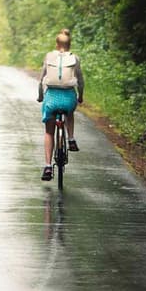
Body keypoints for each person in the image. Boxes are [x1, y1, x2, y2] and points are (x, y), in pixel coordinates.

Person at [37, 29, 84, 181]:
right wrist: (81, 96)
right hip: (68, 98)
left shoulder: (49, 56)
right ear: (69, 44)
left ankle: (48, 166)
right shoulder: (74, 58)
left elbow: (42, 78)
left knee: (49, 132)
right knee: (69, 112)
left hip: (51, 99)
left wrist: (40, 95)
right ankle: (70, 139)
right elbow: (80, 81)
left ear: (57, 44)